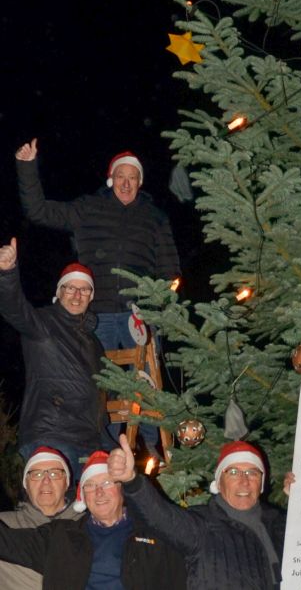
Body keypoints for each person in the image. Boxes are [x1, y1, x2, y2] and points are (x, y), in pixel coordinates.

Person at [15, 139, 181, 454]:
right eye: (121, 176)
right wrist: (27, 167)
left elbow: (169, 269)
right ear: (111, 179)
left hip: (139, 316)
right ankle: (101, 448)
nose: (127, 183)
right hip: (97, 316)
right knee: (94, 384)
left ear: (140, 182)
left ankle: (150, 447)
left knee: (144, 382)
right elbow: (38, 211)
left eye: (133, 178)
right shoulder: (89, 208)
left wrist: (161, 308)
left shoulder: (155, 217)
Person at [108, 435, 285, 589]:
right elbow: (161, 517)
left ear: (261, 482)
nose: (244, 481)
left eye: (252, 473)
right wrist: (131, 481)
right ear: (219, 482)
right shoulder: (202, 525)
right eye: (233, 472)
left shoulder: (279, 524)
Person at [0, 450, 186, 589]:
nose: (99, 492)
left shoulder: (153, 532)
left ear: (122, 489)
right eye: (90, 486)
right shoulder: (61, 534)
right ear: (83, 497)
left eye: (106, 483)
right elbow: (6, 542)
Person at [0, 237, 106, 476]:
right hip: (51, 435)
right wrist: (7, 273)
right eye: (71, 288)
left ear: (91, 297)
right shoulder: (43, 323)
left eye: (84, 289)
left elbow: (104, 388)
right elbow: (13, 307)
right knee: (57, 507)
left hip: (90, 439)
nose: (77, 295)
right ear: (59, 292)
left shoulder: (94, 343)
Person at [0, 447, 84, 589]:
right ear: (26, 484)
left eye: (54, 473)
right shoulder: (5, 524)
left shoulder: (88, 525)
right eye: (37, 475)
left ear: (66, 483)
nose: (46, 481)